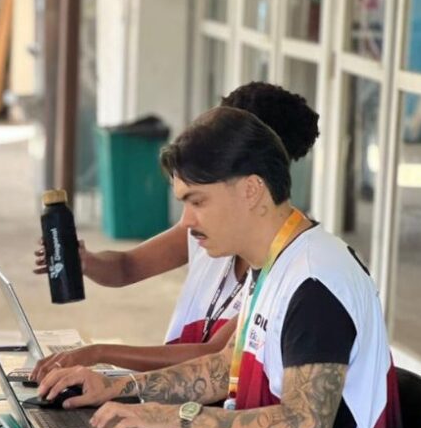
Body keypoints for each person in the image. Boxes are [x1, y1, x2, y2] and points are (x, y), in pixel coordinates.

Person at [39, 105, 404, 428]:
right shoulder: (272, 262)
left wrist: (176, 419)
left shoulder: (315, 281)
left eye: (197, 200)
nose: (188, 220)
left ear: (251, 189)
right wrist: (118, 387)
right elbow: (222, 368)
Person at [31, 82, 320, 379]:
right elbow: (127, 266)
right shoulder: (203, 226)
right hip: (177, 395)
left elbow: (213, 359)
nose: (187, 220)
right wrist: (85, 261)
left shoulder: (288, 263)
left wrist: (99, 354)